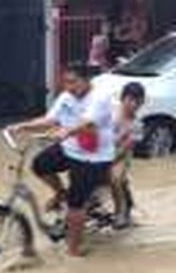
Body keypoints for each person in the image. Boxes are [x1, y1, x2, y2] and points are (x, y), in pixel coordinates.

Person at [9, 64, 114, 257]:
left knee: (76, 204)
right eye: (65, 82)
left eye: (73, 82)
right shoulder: (67, 97)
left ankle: (74, 249)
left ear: (86, 80)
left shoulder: (100, 98)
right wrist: (23, 126)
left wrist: (68, 130)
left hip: (92, 158)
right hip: (70, 148)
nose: (68, 87)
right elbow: (50, 120)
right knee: (40, 165)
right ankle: (60, 193)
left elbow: (88, 123)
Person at [110, 82, 146, 229]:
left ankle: (121, 209)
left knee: (115, 178)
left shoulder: (137, 125)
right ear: (122, 98)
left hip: (120, 157)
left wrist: (109, 160)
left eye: (138, 101)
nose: (134, 104)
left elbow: (125, 148)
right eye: (130, 100)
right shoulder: (110, 113)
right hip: (100, 151)